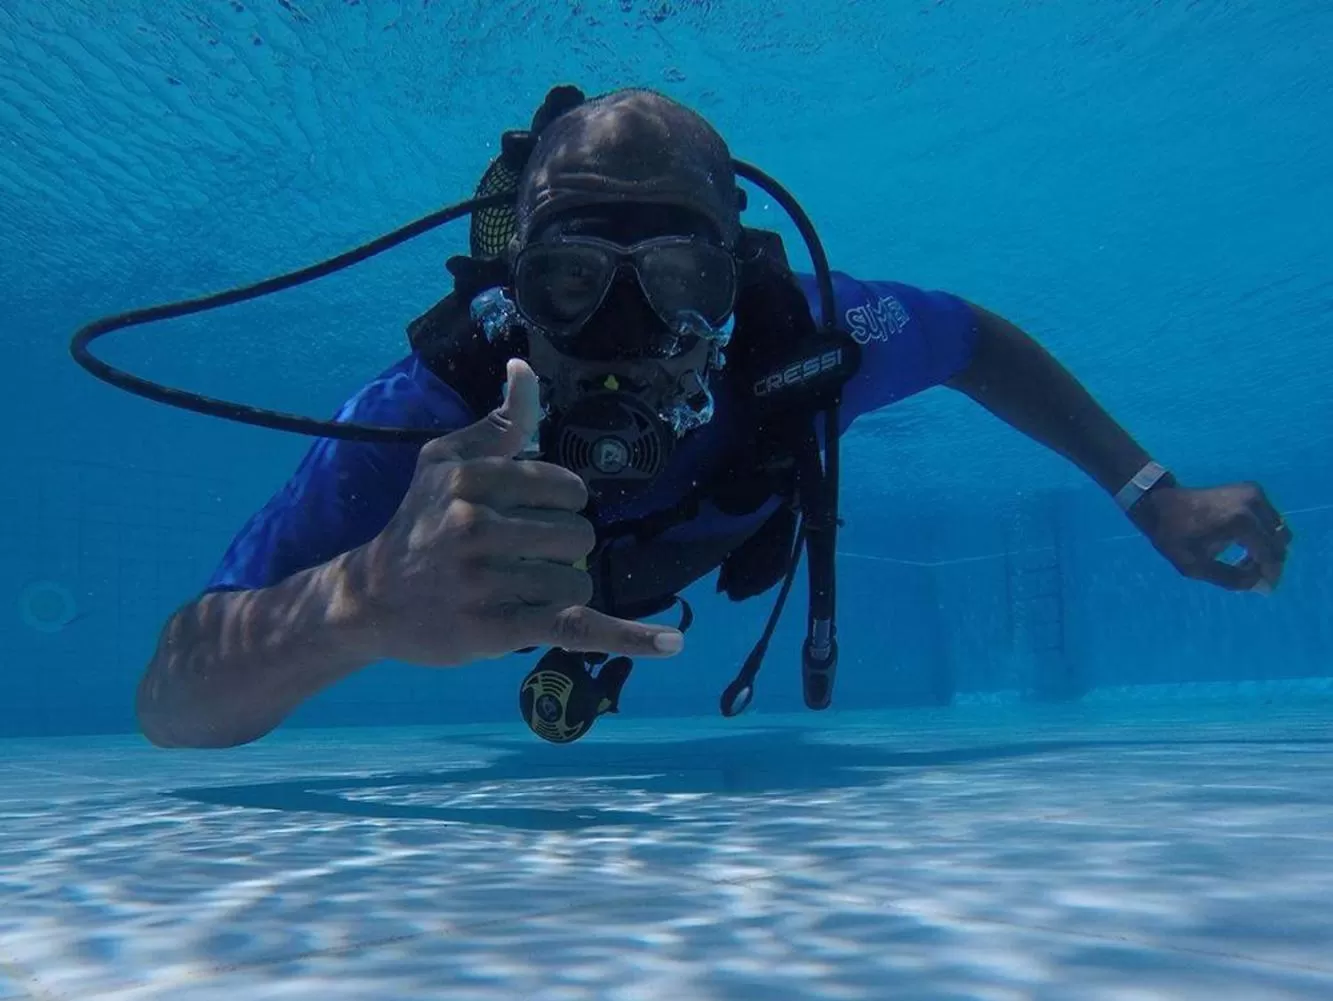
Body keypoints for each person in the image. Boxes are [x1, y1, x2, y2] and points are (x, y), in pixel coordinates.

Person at [131, 86, 1292, 750]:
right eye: (573, 282)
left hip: (692, 552)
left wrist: (1152, 492)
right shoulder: (435, 407)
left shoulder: (808, 345)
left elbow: (973, 339)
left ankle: (599, 668)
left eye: (681, 282)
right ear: (512, 288)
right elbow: (172, 700)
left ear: (733, 286)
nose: (628, 334)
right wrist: (360, 606)